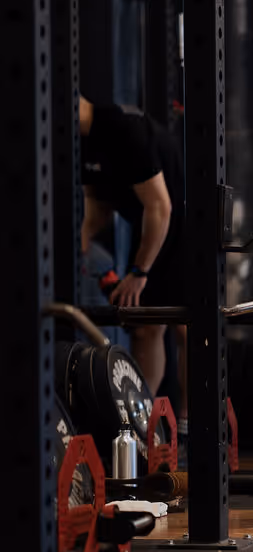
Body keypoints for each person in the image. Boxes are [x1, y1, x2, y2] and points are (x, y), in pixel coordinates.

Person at [79, 94, 188, 425]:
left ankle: (190, 426)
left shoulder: (123, 130)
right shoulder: (85, 143)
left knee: (190, 327)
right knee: (145, 330)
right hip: (153, 228)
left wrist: (140, 271)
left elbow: (161, 207)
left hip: (185, 224)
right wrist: (81, 241)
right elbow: (99, 205)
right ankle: (141, 425)